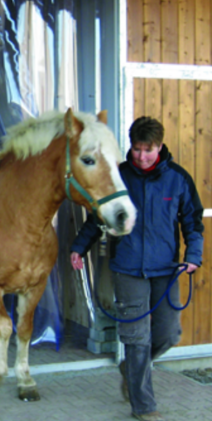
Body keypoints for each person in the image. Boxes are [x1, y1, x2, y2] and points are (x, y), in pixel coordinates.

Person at [70, 116, 204, 421]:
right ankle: (144, 406)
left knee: (169, 334)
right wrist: (79, 247)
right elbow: (98, 216)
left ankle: (130, 369)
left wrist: (193, 255)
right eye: (137, 149)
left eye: (148, 150)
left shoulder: (178, 179)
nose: (142, 156)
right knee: (136, 338)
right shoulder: (118, 176)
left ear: (159, 146)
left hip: (166, 269)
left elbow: (192, 222)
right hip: (128, 268)